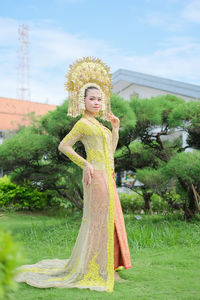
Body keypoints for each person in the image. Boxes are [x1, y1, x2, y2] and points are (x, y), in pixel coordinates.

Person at [15, 57, 132, 293]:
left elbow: (110, 151)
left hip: (107, 176)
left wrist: (116, 128)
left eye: (100, 99)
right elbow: (63, 146)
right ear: (83, 101)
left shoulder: (101, 125)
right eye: (92, 99)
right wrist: (85, 164)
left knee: (109, 221)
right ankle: (94, 269)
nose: (97, 102)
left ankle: (106, 267)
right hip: (96, 177)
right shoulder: (82, 124)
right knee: (99, 223)